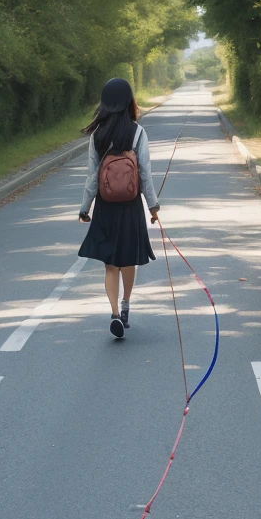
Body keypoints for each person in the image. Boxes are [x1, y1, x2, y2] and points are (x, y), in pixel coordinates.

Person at [78, 78, 160, 338]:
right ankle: (125, 306)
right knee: (127, 260)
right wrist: (153, 206)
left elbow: (92, 176)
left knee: (110, 264)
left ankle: (113, 312)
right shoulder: (137, 132)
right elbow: (144, 173)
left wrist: (84, 207)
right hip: (131, 205)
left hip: (106, 205)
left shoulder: (97, 135)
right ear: (128, 102)